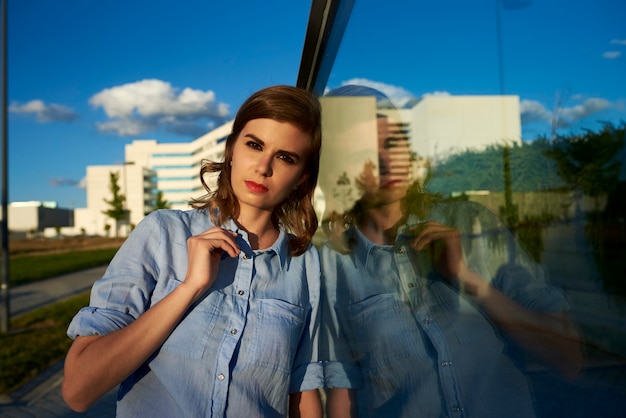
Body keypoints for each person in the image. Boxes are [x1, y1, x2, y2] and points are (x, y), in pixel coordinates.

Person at [318, 85, 583, 417]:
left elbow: (568, 358)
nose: (385, 163)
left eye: (392, 144)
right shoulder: (332, 267)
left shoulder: (472, 223)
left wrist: (467, 279)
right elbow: (344, 395)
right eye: (364, 153)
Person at [62, 85, 324, 417]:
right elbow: (78, 390)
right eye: (254, 145)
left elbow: (303, 393)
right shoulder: (162, 233)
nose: (263, 166)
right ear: (231, 150)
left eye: (285, 157)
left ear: (302, 176)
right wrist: (189, 288)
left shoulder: (307, 264)